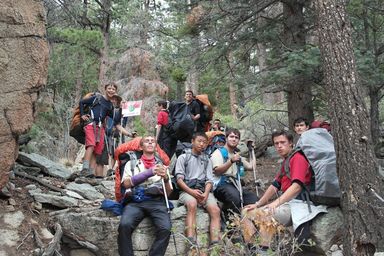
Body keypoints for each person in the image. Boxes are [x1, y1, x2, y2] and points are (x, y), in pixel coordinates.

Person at [243, 130, 327, 253]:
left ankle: (263, 251)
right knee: (246, 212)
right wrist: (257, 204)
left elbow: (297, 186)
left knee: (265, 215)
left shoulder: (297, 158)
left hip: (299, 204)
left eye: (282, 142)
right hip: (288, 203)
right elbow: (275, 185)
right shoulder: (287, 161)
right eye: (276, 143)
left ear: (291, 143)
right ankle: (252, 249)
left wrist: (275, 203)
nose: (279, 146)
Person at [118, 135, 172, 256]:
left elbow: (168, 193)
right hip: (135, 201)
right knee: (124, 225)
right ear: (141, 146)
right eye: (146, 141)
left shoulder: (162, 166)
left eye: (153, 141)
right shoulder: (131, 164)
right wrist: (149, 172)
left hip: (157, 201)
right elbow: (126, 184)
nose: (150, 143)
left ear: (156, 147)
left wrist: (167, 178)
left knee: (166, 229)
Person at [175, 132, 221, 249]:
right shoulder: (183, 157)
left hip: (203, 191)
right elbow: (179, 180)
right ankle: (191, 241)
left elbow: (209, 180)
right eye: (199, 141)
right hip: (187, 190)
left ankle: (215, 242)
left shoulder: (207, 159)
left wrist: (205, 194)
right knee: (192, 204)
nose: (202, 144)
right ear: (192, 141)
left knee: (215, 210)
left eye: (204, 142)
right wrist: (192, 192)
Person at [210, 128, 258, 218]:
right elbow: (217, 171)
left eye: (236, 137)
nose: (234, 139)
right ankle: (231, 221)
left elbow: (252, 167)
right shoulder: (218, 153)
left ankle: (248, 219)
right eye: (231, 136)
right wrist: (231, 161)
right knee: (234, 197)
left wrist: (251, 151)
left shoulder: (236, 155)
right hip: (221, 185)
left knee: (254, 199)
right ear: (226, 138)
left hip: (235, 185)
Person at [78, 83, 119, 178]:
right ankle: (85, 169)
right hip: (90, 123)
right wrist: (82, 114)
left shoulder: (110, 105)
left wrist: (120, 105)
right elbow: (82, 102)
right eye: (109, 88)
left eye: (113, 89)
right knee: (91, 145)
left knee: (97, 150)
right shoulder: (97, 98)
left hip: (100, 128)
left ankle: (91, 172)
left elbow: (116, 119)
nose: (111, 90)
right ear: (105, 89)